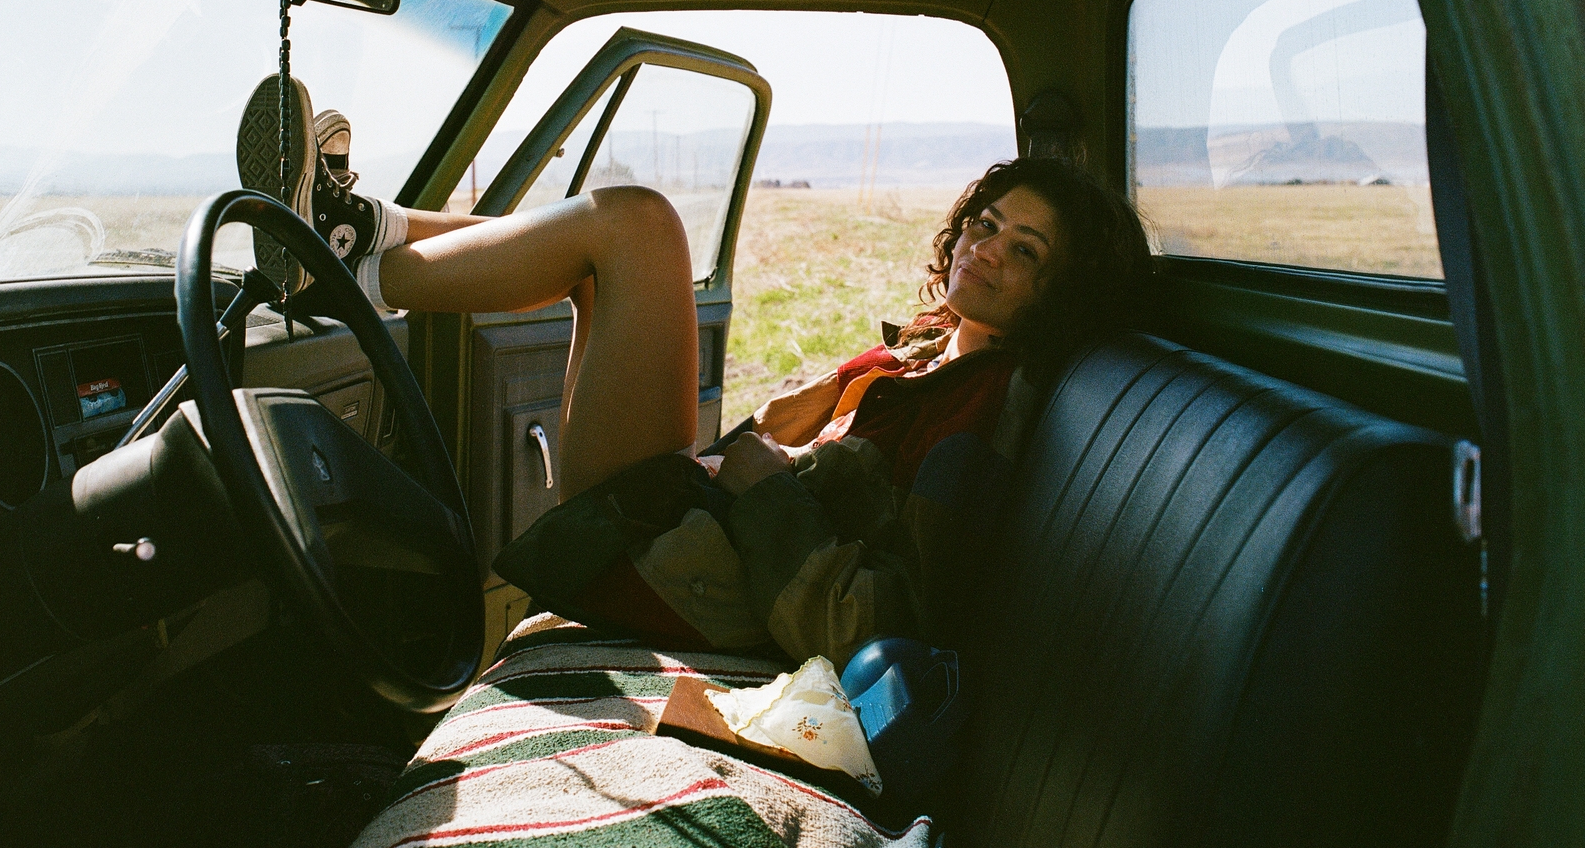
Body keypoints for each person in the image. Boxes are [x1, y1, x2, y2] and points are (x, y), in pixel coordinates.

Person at [238, 77, 1153, 667]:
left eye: (1025, 250)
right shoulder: (923, 350)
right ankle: (363, 234)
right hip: (703, 522)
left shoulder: (982, 416)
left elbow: (879, 630)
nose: (987, 248)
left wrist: (763, 482)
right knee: (597, 263)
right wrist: (791, 430)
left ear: (1061, 295)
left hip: (700, 579)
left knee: (636, 225)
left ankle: (344, 264)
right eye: (987, 224)